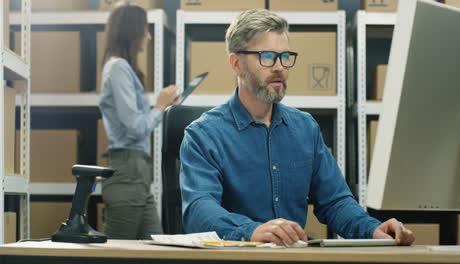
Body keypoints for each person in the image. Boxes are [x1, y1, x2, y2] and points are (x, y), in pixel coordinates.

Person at [179, 8, 415, 246]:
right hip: (235, 259)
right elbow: (199, 210)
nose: (280, 67)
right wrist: (251, 231)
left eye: (285, 56)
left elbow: (335, 202)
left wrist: (373, 230)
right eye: (267, 57)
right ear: (236, 64)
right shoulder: (203, 134)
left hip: (293, 258)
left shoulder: (305, 128)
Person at [98, 2, 179, 239]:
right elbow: (134, 128)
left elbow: (136, 120)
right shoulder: (118, 68)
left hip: (139, 176)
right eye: (144, 28)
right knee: (117, 255)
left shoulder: (124, 69)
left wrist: (163, 104)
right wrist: (160, 105)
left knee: (156, 249)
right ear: (131, 31)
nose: (148, 35)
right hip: (127, 173)